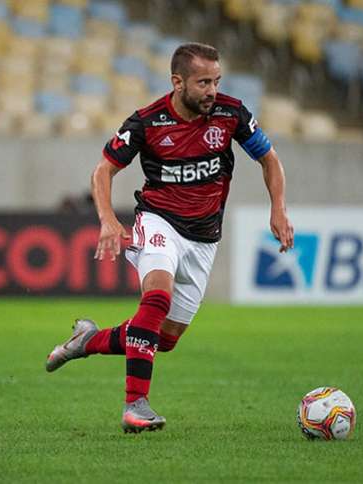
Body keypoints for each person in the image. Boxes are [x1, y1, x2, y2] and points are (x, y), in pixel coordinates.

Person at [45, 42, 294, 433]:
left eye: (216, 81)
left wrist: (277, 207)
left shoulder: (231, 113)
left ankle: (86, 341)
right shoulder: (146, 122)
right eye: (203, 82)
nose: (212, 90)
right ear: (177, 82)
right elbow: (103, 171)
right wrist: (108, 219)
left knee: (164, 338)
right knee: (156, 298)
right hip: (158, 221)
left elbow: (269, 158)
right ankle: (135, 406)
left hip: (204, 237)